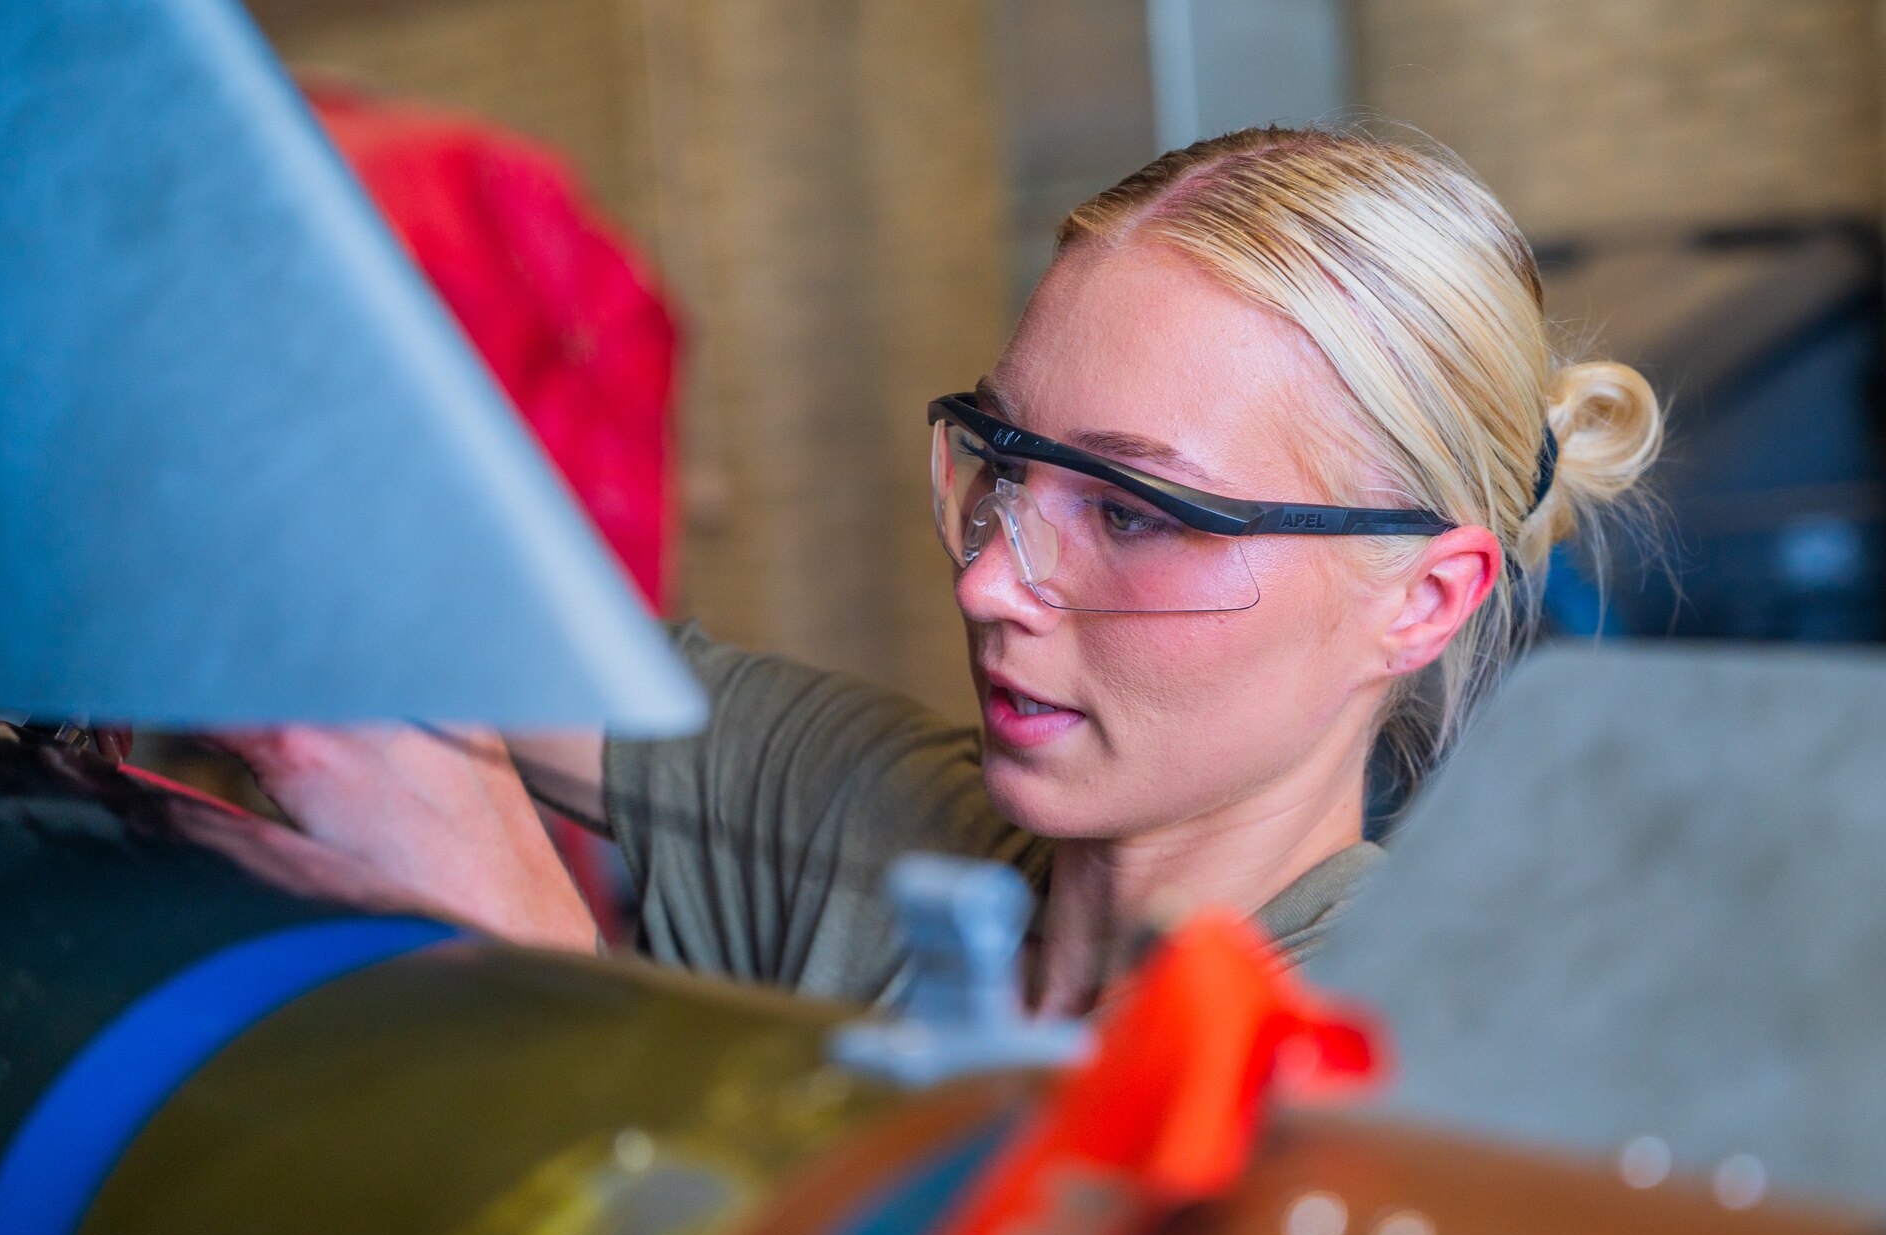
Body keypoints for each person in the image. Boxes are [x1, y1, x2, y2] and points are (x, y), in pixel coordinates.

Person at [226, 125, 1661, 1014]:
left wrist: (521, 947)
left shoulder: (1384, 1078)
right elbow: (400, 611)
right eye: (1001, 463)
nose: (989, 583)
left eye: (1136, 512)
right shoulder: (880, 825)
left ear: (1420, 599)